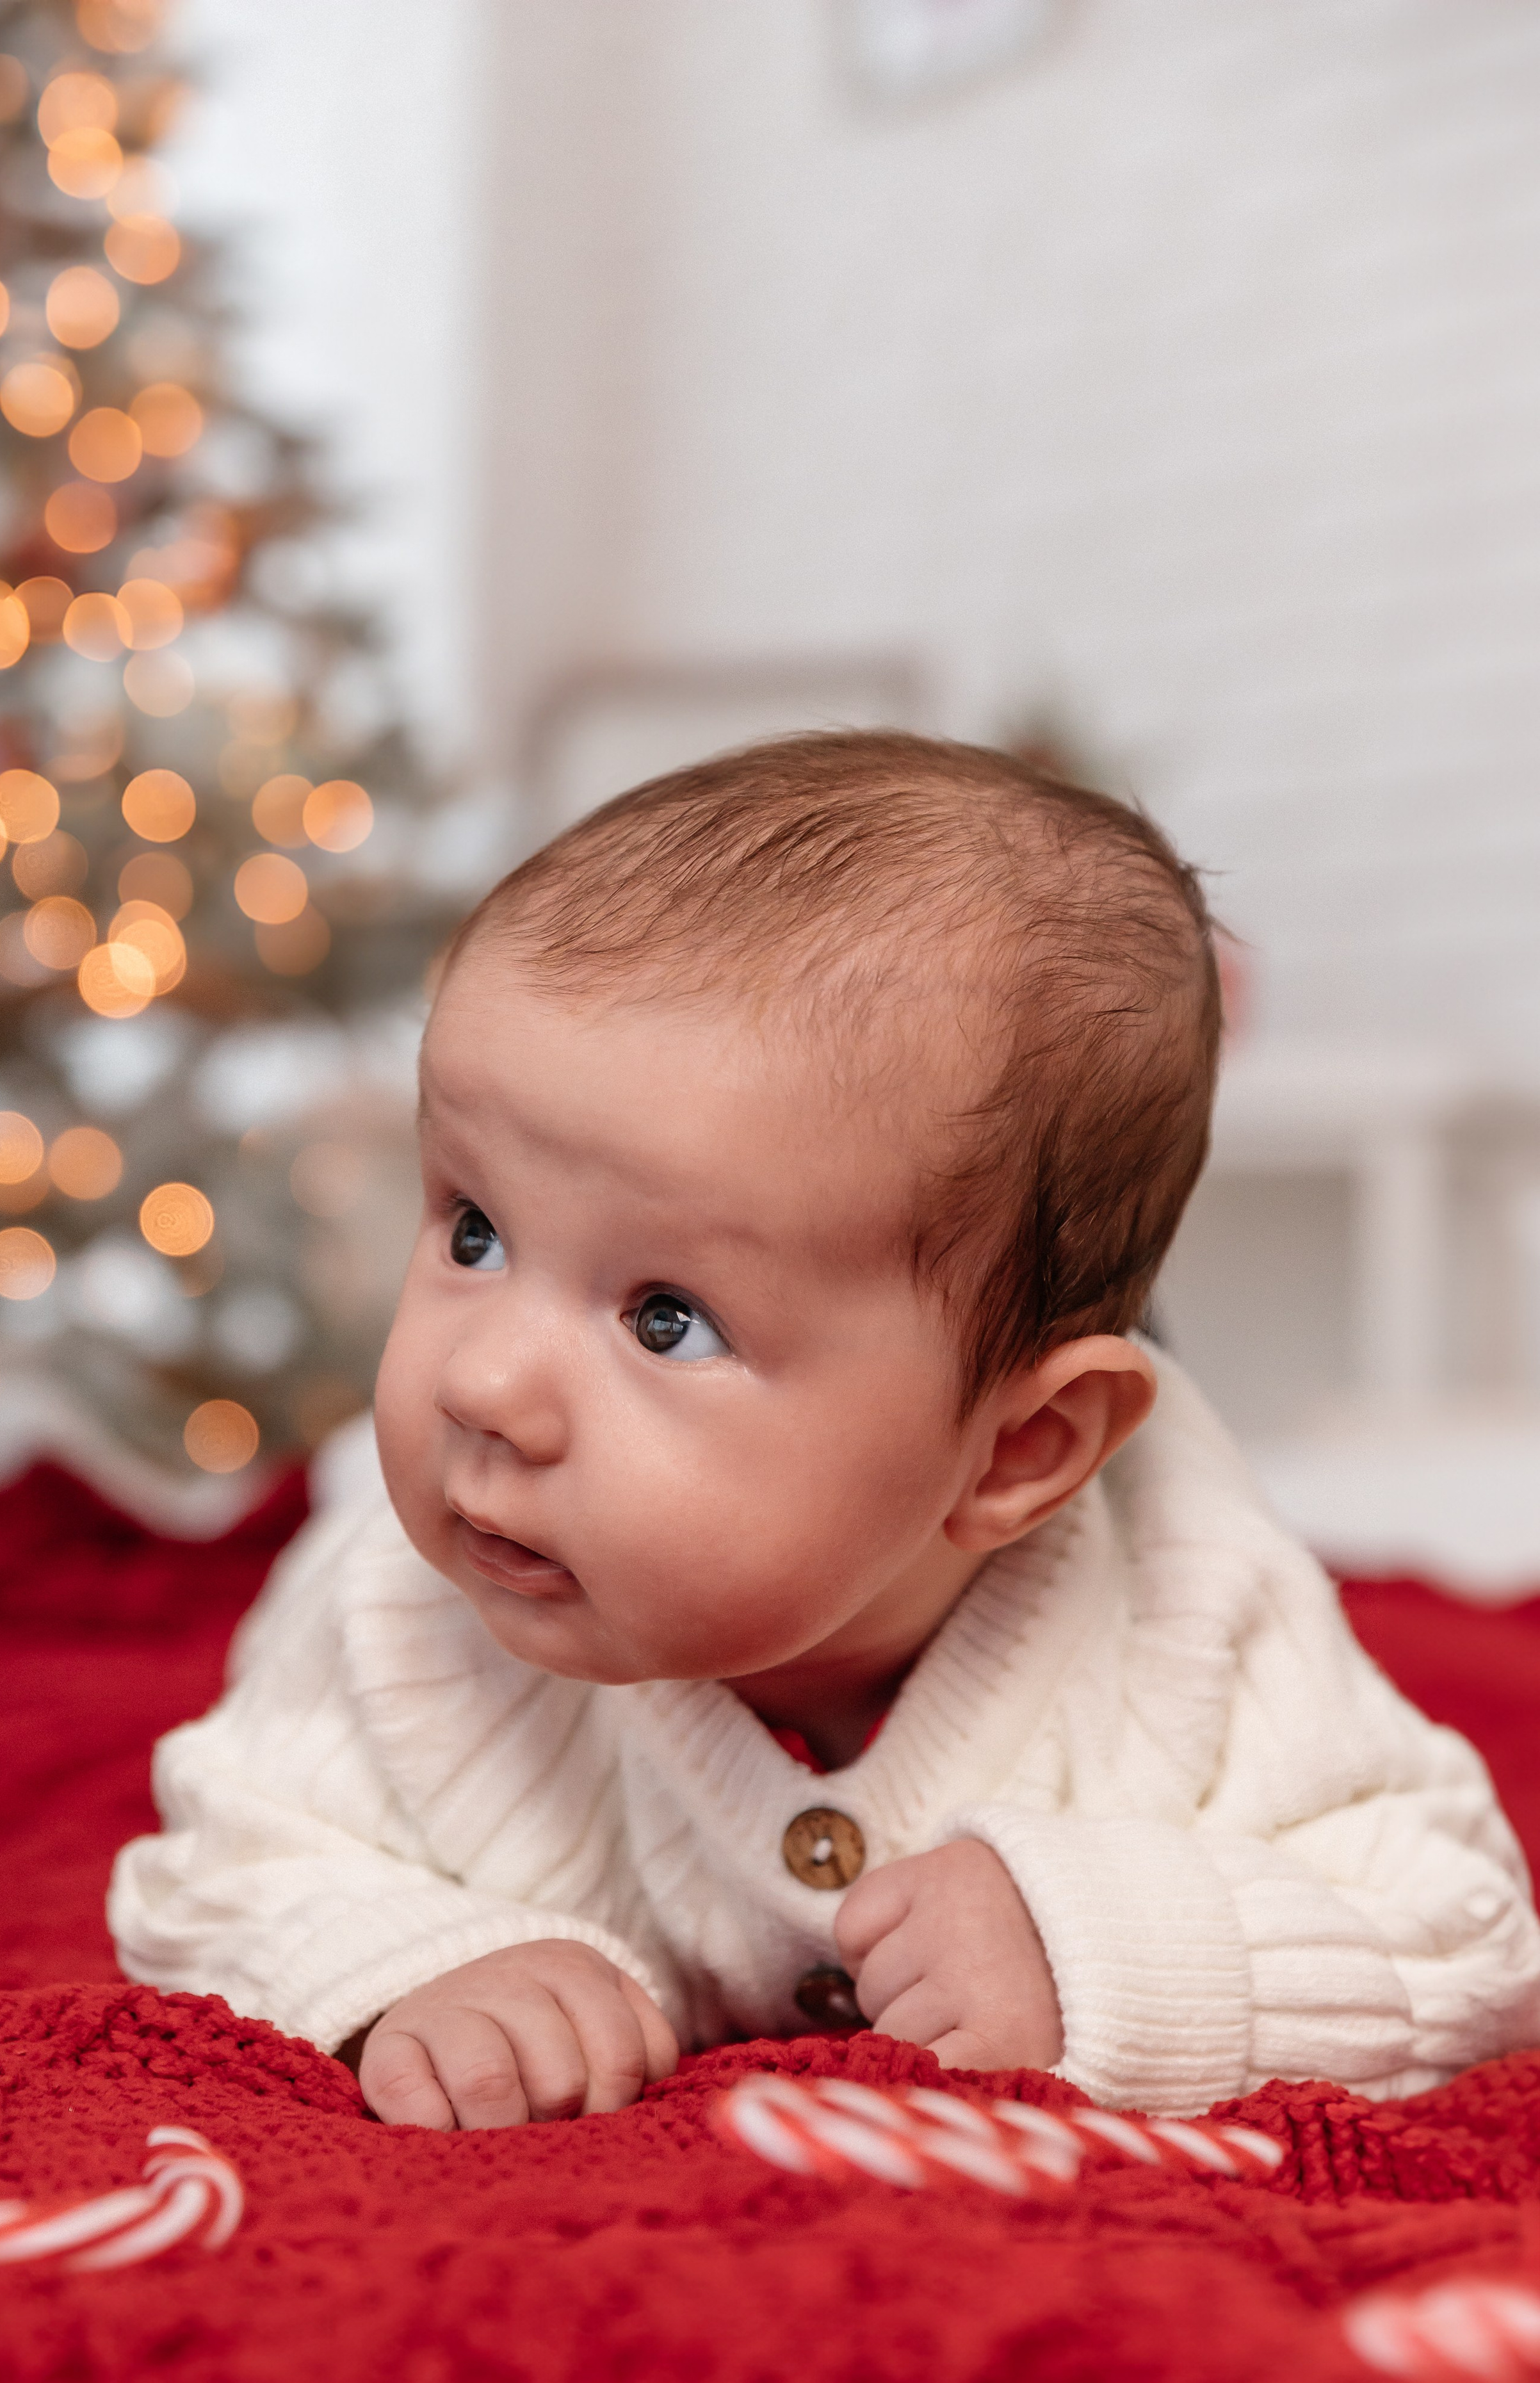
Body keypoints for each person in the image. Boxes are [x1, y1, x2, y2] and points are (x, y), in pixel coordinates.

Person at [109, 731, 1540, 2131]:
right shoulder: (414, 1606)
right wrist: (411, 1961)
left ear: (1016, 1454)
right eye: (473, 1231)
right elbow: (221, 1859)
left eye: (664, 1318)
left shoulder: (1191, 1620)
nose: (480, 1386)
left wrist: (1096, 1946)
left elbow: (1459, 1938)